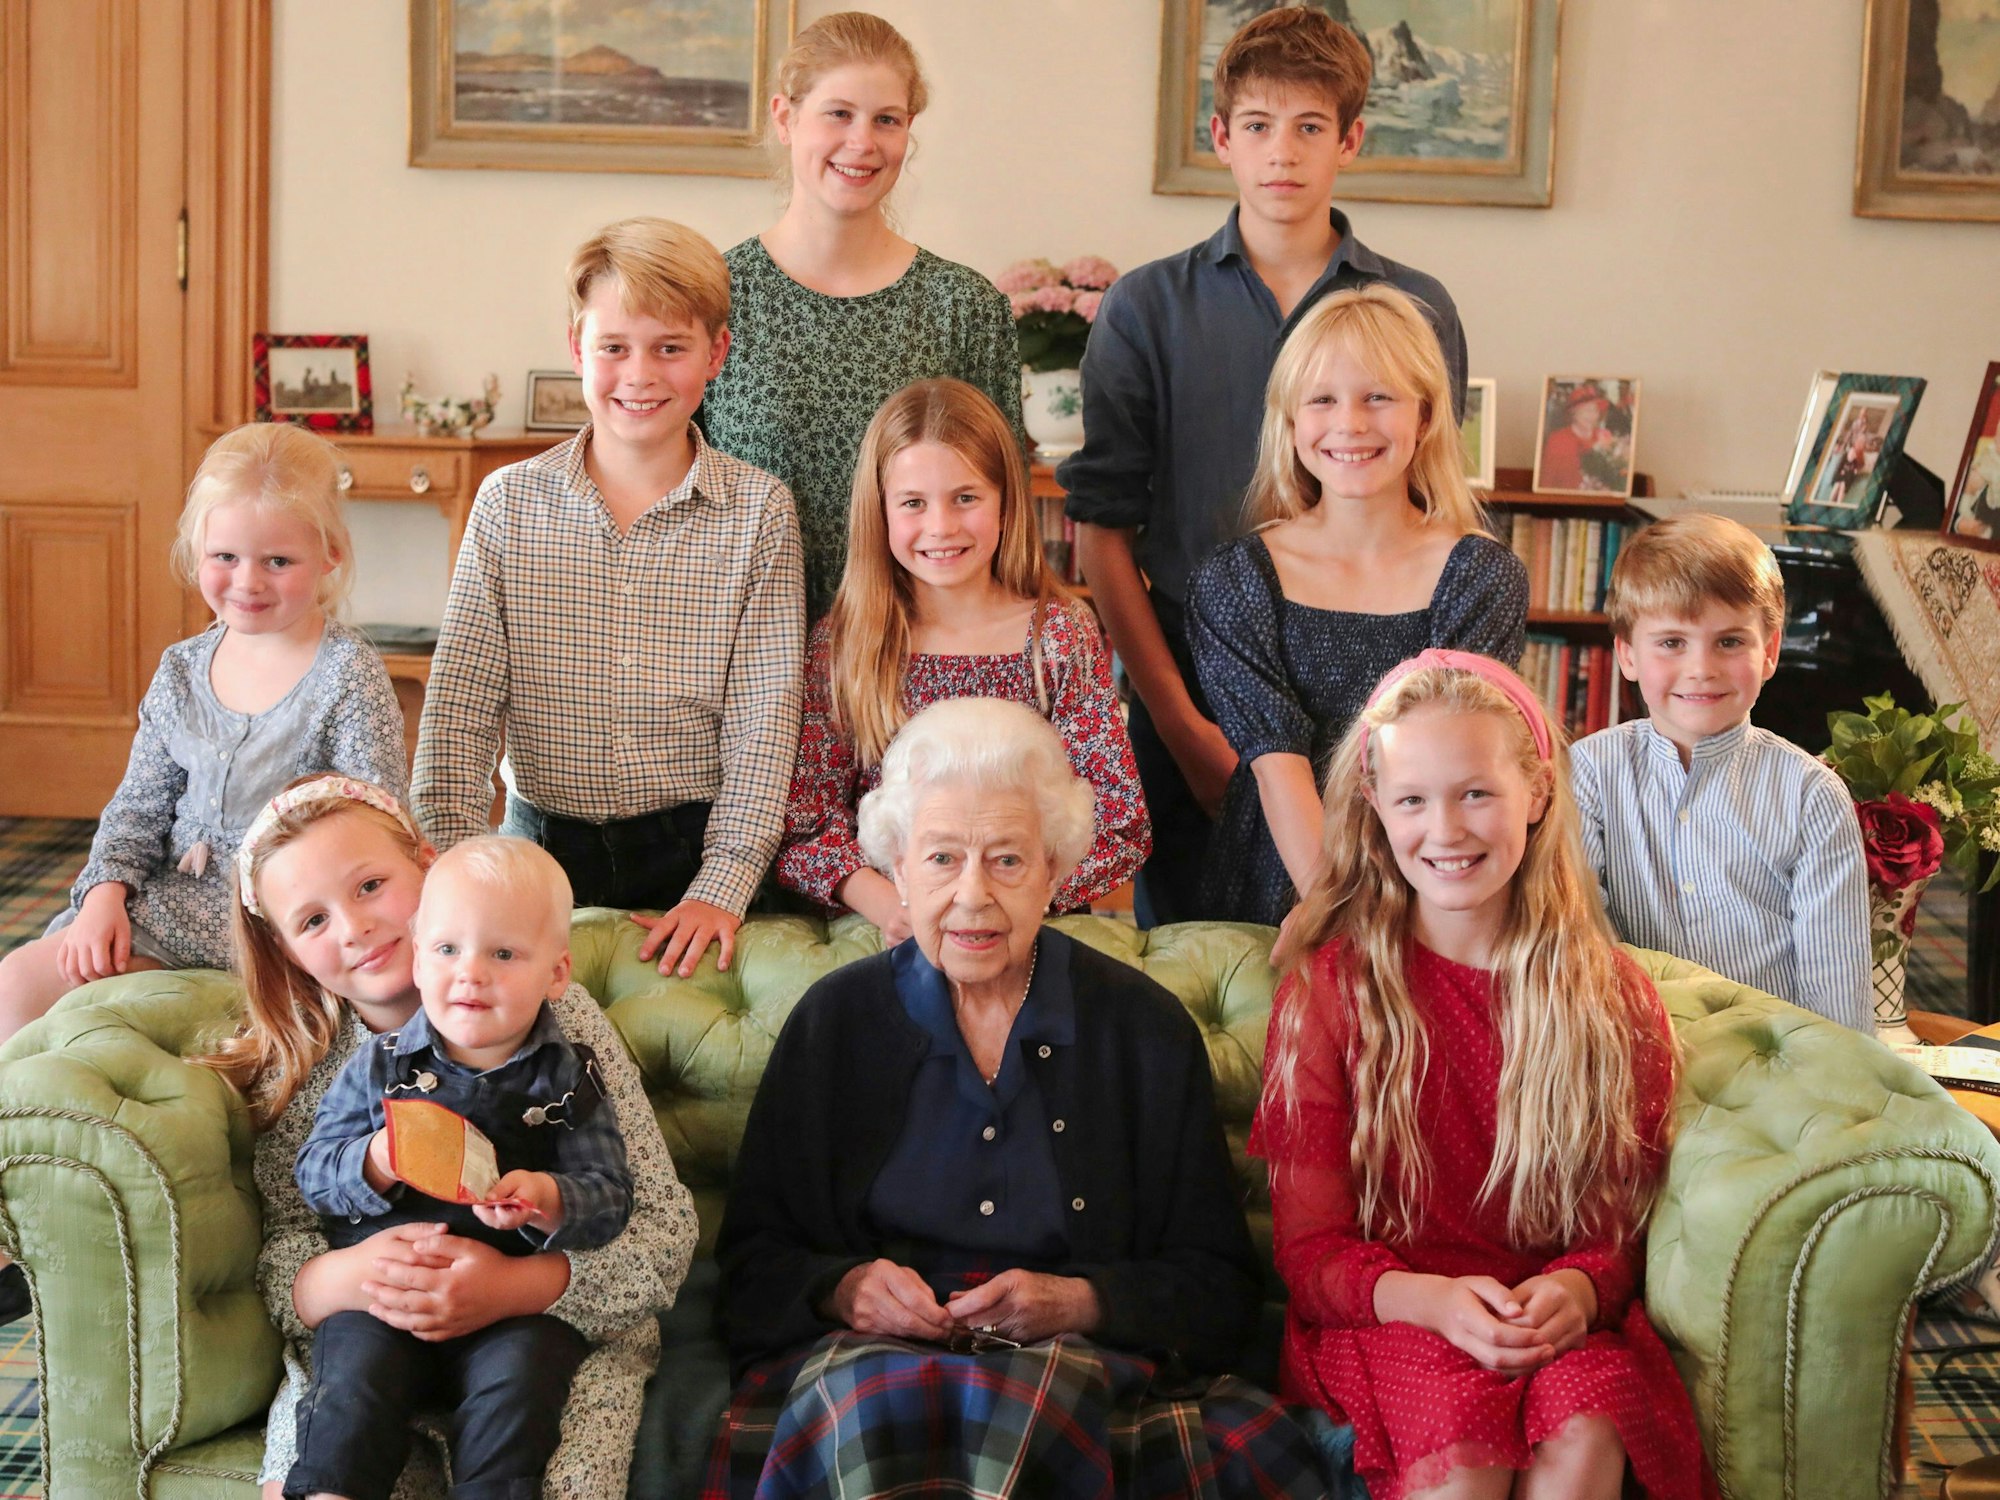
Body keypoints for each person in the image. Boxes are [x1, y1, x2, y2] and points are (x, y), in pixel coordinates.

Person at [713, 699, 1329, 1498]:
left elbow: (1218, 1288)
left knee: (1043, 1407)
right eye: (941, 859)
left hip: (1082, 1363)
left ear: (1056, 873)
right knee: (876, 1410)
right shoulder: (835, 1024)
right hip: (872, 1364)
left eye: (1007, 860)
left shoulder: (1142, 1030)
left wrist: (1082, 1301)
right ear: (897, 867)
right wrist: (843, 1289)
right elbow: (751, 1268)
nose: (973, 895)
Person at [1258, 650, 1712, 1500]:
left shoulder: (1607, 995)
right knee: (1464, 1455)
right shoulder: (1333, 991)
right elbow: (1310, 1254)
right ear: (1376, 810)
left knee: (1587, 1424)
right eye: (1413, 801)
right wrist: (1428, 1301)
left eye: (1476, 793)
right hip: (1389, 1318)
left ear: (1536, 794)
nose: (1448, 830)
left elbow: (1618, 1226)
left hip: (1548, 1322)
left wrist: (1578, 1289)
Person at [1059, 6, 1467, 927]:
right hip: (1189, 691)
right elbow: (1102, 527)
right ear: (1221, 138)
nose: (1282, 153)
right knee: (1198, 979)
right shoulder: (1146, 307)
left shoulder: (1415, 308)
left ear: (1351, 139)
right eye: (1257, 127)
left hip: (1374, 689)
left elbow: (1436, 504)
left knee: (1377, 950)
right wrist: (1182, 729)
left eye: (1310, 128)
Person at [197, 774, 696, 1500]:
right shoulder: (313, 1062)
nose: (354, 927)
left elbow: (659, 1230)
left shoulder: (557, 1024)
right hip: (369, 1326)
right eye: (312, 921)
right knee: (320, 1460)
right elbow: (288, 1247)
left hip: (545, 1320)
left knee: (548, 1466)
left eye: (370, 886)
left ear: (428, 868)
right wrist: (347, 1275)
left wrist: (515, 1281)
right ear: (287, 949)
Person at [412, 216, 805, 981]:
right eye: (614, 347)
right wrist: (456, 877)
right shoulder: (506, 505)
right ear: (575, 349)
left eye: (670, 347)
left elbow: (765, 722)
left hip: (693, 855)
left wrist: (721, 887)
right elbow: (459, 711)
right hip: (537, 853)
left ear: (716, 354)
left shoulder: (760, 512)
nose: (639, 375)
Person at [0, 422, 407, 1039]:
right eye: (226, 557)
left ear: (329, 555)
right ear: (197, 553)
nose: (248, 581)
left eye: (278, 560)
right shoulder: (181, 669)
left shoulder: (348, 673)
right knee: (19, 986)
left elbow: (376, 821)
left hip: (287, 925)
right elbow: (137, 806)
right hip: (167, 906)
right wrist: (104, 895)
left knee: (136, 1014)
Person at [286, 834, 632, 1499]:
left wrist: (548, 1197)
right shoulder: (381, 1066)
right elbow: (314, 1174)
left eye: (503, 954)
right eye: (447, 950)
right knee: (349, 1387)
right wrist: (375, 1160)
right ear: (419, 962)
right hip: (386, 1301)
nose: (470, 973)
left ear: (556, 974)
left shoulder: (568, 1078)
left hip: (507, 1307)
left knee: (523, 1382)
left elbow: (611, 1196)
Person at [1188, 285, 1524, 926]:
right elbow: (1276, 764)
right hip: (1283, 876)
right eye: (1322, 400)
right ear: (1290, 422)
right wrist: (1336, 913)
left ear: (1424, 418)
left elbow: (1457, 756)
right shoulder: (1235, 580)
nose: (1351, 423)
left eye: (1379, 397)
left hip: (1436, 872)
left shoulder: (1481, 576)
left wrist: (1396, 921)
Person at [776, 379, 1148, 935]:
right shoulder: (847, 643)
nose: (941, 527)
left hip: (1034, 931)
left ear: (1005, 502)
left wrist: (1009, 902)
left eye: (966, 497)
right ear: (880, 512)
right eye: (913, 504)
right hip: (887, 932)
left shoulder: (1059, 636)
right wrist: (892, 907)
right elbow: (803, 823)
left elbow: (1119, 823)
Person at [700, 11, 1025, 622]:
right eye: (839, 113)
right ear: (785, 117)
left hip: (921, 667)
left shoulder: (965, 308)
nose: (863, 143)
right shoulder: (713, 296)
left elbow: (1004, 517)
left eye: (887, 120)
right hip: (745, 662)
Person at [1570, 512, 1872, 1030]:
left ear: (1770, 651)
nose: (1701, 668)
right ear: (1627, 655)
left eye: (1729, 642)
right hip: (1636, 1055)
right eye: (1671, 642)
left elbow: (1838, 994)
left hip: (1777, 1065)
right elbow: (1579, 945)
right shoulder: (1589, 774)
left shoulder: (1812, 796)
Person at [1537, 384, 1611, 492]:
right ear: (1574, 413)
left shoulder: (1605, 437)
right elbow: (1546, 481)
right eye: (1586, 410)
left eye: (1595, 410)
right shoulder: (1557, 439)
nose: (1591, 415)